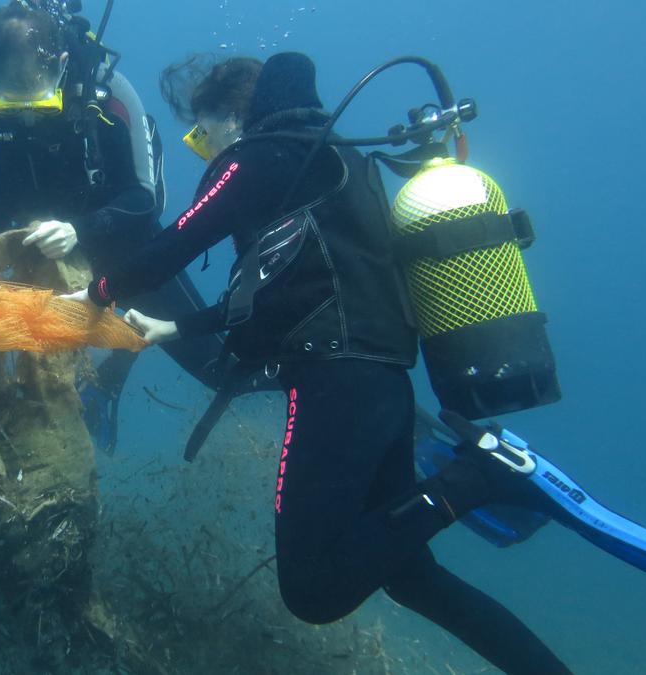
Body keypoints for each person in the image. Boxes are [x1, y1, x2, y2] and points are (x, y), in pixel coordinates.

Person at [69, 52, 573, 674]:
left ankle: (479, 476)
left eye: (202, 133)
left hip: (332, 389)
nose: (204, 149)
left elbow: (172, 246)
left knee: (312, 591)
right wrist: (175, 326)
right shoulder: (342, 162)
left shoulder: (255, 158)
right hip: (383, 387)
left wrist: (94, 293)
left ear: (233, 116)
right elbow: (282, 287)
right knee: (413, 580)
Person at [0, 1, 226, 453]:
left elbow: (145, 197)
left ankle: (110, 377)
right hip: (20, 259)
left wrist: (79, 229)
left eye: (32, 88)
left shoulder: (109, 96)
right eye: (9, 89)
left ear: (61, 64)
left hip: (118, 247)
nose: (23, 108)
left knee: (215, 366)